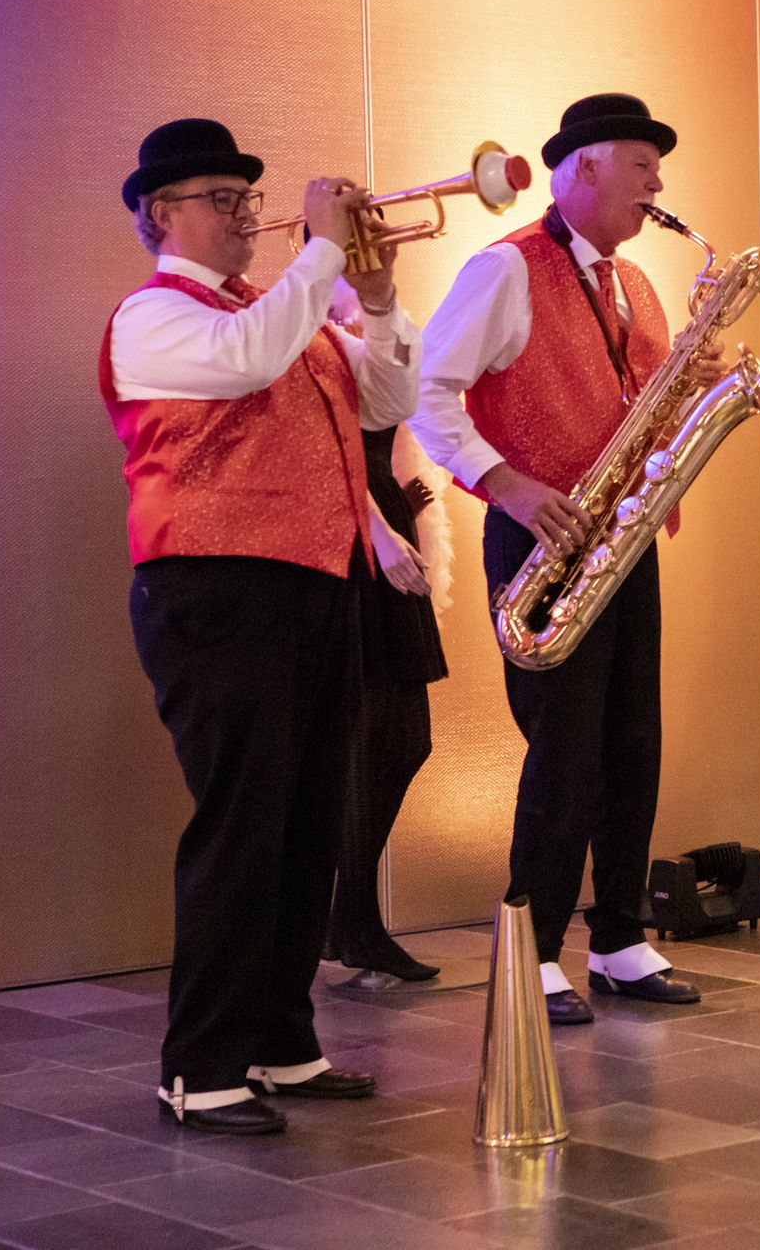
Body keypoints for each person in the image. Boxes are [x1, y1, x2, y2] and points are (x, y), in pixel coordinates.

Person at [105, 118, 420, 1133]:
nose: (248, 213)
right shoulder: (153, 317)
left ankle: (282, 1042)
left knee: (306, 822)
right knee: (242, 825)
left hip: (313, 587)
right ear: (161, 213)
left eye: (250, 196)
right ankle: (199, 1066)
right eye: (222, 199)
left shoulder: (285, 312)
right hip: (214, 591)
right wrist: (323, 250)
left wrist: (374, 299)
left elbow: (384, 400)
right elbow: (244, 362)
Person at [412, 93, 720, 1025]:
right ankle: (535, 947)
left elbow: (636, 406)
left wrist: (690, 390)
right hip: (543, 537)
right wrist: (504, 483)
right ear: (582, 166)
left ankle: (620, 938)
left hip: (625, 540)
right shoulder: (505, 269)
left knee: (633, 742)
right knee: (565, 748)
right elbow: (432, 390)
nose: (658, 183)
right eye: (642, 165)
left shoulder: (637, 285)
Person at [323, 280, 450, 983]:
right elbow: (325, 446)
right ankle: (356, 921)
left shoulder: (363, 330)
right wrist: (376, 524)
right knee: (374, 735)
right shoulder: (307, 333)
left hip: (379, 520)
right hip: (354, 536)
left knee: (401, 736)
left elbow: (399, 399)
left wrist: (380, 302)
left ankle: (348, 916)